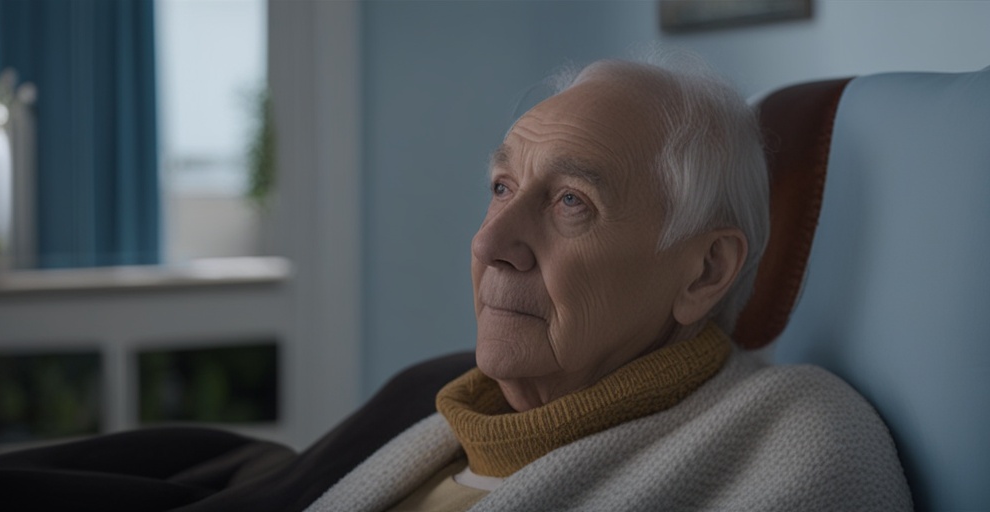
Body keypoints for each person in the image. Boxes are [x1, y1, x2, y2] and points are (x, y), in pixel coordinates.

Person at [305, 56, 913, 511]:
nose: (488, 244)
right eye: (502, 188)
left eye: (571, 200)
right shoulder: (439, 400)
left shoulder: (796, 440)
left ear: (704, 271)